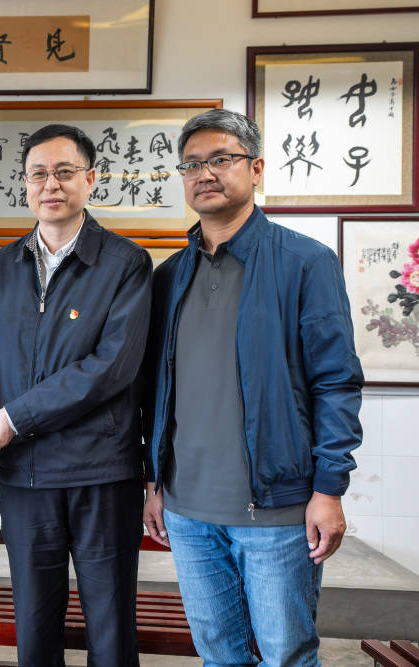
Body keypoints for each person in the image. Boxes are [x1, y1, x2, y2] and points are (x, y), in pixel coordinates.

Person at [142, 108, 364, 665]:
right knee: (218, 654)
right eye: (191, 164)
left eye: (221, 159)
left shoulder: (305, 262)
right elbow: (155, 389)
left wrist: (329, 489)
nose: (204, 173)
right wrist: (154, 482)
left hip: (278, 510)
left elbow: (336, 381)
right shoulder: (169, 276)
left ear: (256, 168)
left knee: (286, 654)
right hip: (187, 510)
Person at [0, 123, 153, 666]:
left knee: (110, 626)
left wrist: (14, 418)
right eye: (38, 174)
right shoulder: (1, 267)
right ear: (25, 184)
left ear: (90, 180)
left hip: (102, 471)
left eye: (65, 172)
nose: (51, 184)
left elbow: (112, 367)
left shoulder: (126, 263)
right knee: (34, 625)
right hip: (25, 475)